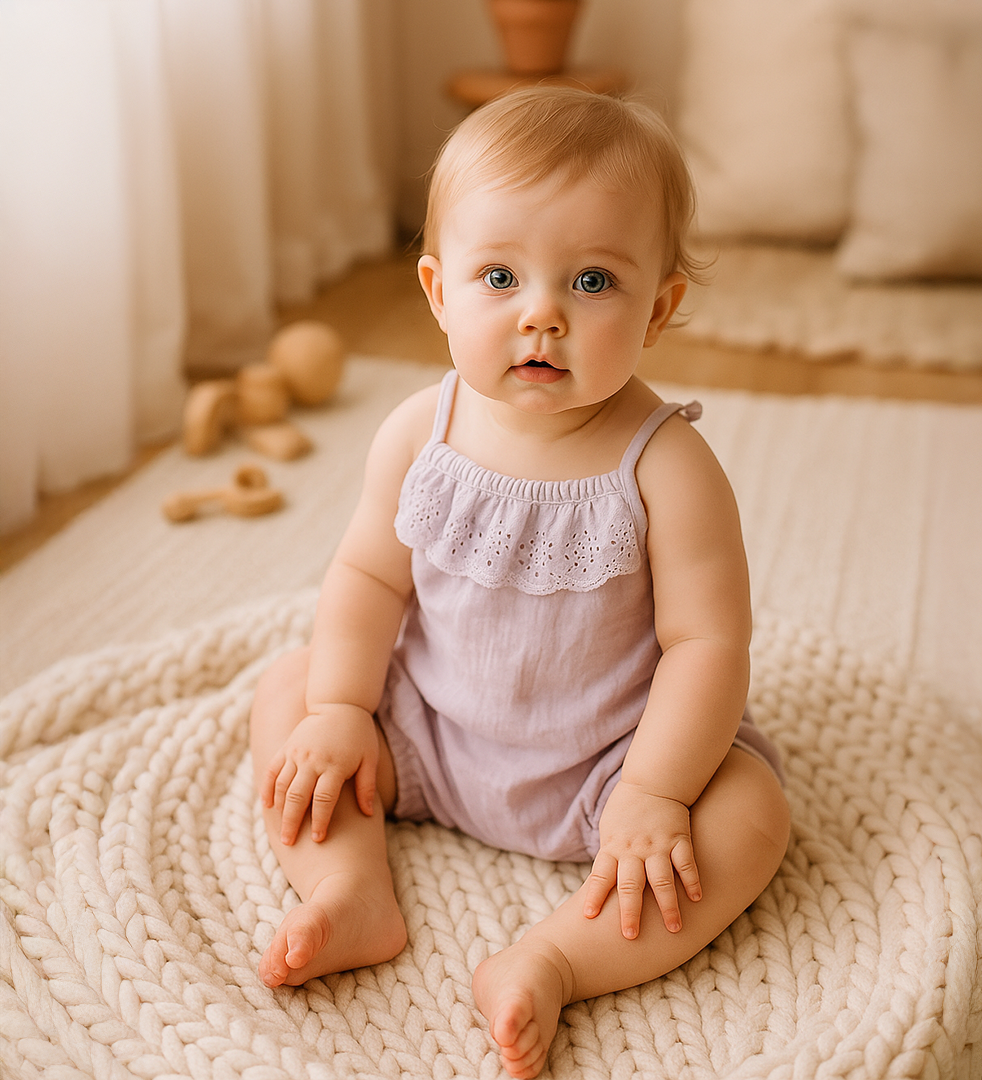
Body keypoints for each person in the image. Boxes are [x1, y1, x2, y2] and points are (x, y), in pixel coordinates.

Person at [249, 86, 790, 1080]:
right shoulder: (421, 431)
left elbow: (708, 645)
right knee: (287, 692)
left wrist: (657, 790)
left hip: (606, 767)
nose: (541, 313)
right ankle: (349, 889)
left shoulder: (667, 465)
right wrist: (338, 708)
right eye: (500, 275)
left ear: (659, 308)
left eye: (592, 282)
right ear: (438, 291)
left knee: (752, 814)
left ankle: (552, 959)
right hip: (428, 736)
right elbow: (369, 574)